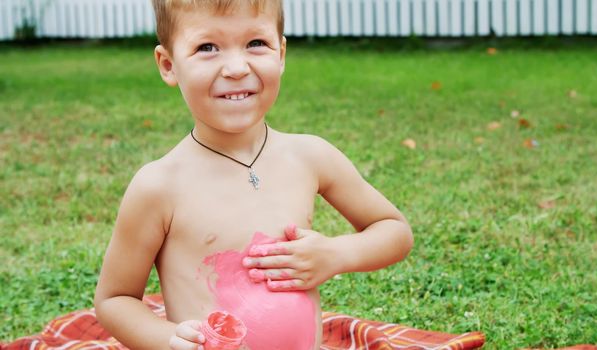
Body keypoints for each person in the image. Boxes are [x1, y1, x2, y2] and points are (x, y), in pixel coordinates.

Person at [94, 0, 413, 349]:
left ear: (281, 54)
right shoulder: (160, 185)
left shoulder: (309, 156)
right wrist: (170, 339)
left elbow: (394, 231)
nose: (235, 67)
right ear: (169, 65)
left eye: (256, 44)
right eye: (207, 48)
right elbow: (115, 299)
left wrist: (335, 255)